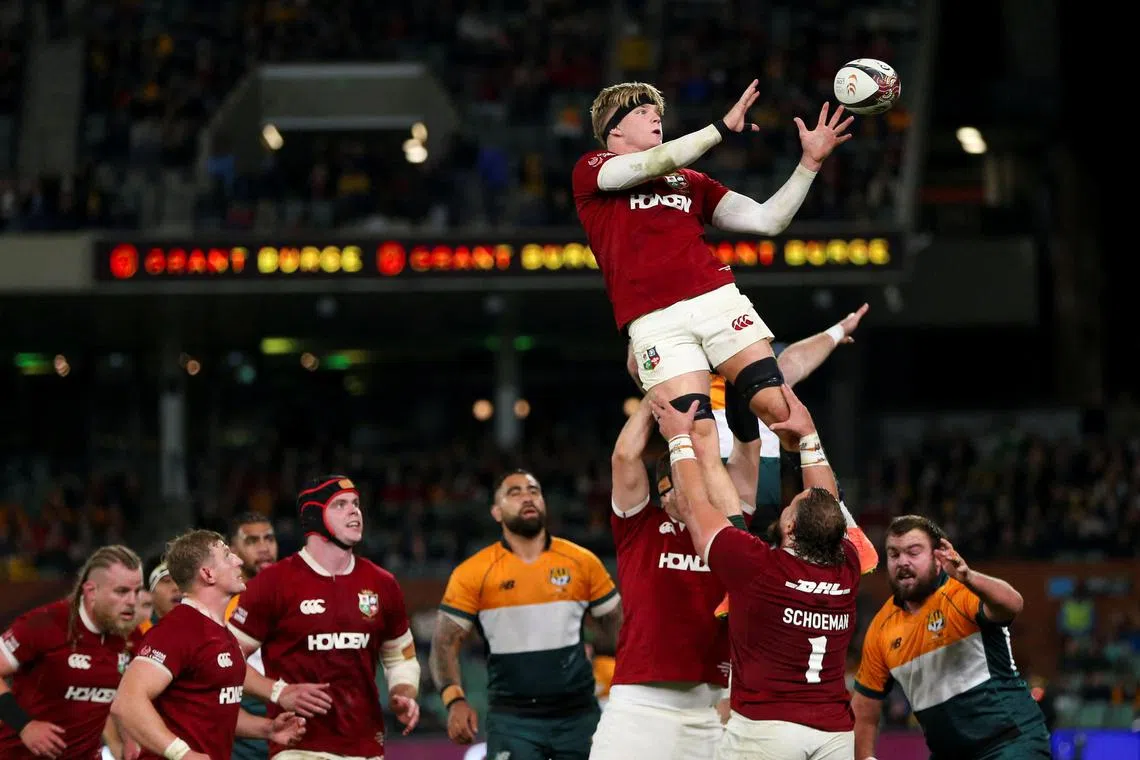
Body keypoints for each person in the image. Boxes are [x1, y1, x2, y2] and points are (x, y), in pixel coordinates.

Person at [573, 80, 854, 466]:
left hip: (716, 299)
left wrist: (810, 165)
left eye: (657, 112)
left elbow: (767, 220)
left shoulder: (691, 181)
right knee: (695, 439)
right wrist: (720, 128)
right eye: (641, 112)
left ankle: (834, 514)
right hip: (654, 322)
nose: (655, 117)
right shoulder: (592, 169)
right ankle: (730, 527)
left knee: (781, 411)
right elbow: (651, 164)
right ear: (614, 129)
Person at [648, 383, 877, 760]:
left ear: (788, 529)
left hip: (767, 732)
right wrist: (808, 436)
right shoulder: (848, 566)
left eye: (792, 504)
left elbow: (692, 508)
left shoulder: (757, 568)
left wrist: (678, 440)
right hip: (835, 733)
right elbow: (827, 502)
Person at [430, 469, 622, 760]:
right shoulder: (473, 573)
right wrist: (454, 700)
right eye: (514, 492)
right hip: (512, 721)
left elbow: (622, 631)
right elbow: (444, 643)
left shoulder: (583, 563)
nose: (527, 497)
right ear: (496, 512)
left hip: (579, 717)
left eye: (534, 491)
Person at [227, 475, 421, 759]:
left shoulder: (382, 583)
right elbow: (224, 658)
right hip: (297, 748)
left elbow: (399, 656)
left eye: (356, 504)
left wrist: (403, 692)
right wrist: (279, 691)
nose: (354, 511)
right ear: (314, 517)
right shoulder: (272, 583)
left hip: (366, 747)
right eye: (340, 505)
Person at [851, 515, 1051, 760]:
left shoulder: (962, 593)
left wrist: (969, 577)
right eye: (894, 554)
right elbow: (864, 708)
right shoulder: (880, 629)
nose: (902, 561)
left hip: (1010, 742)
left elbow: (1013, 604)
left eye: (913, 552)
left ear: (938, 558)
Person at [111, 530, 306, 760]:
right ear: (207, 573)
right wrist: (182, 754)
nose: (238, 560)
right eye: (227, 555)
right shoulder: (178, 629)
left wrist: (268, 729)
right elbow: (126, 702)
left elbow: (218, 709)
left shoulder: (221, 632)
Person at [0, 545, 143, 760]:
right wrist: (25, 726)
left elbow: (124, 697)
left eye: (137, 591)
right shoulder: (45, 623)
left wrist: (130, 739)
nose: (132, 601)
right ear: (91, 591)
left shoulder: (130, 636)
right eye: (122, 591)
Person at [225, 512, 279, 760]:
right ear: (233, 550)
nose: (264, 548)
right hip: (242, 723)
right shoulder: (221, 603)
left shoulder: (293, 594)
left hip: (294, 716)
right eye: (252, 541)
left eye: (269, 538)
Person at [137, 556, 182, 635]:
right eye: (167, 581)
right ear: (150, 592)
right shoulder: (139, 635)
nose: (176, 587)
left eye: (181, 580)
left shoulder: (204, 628)